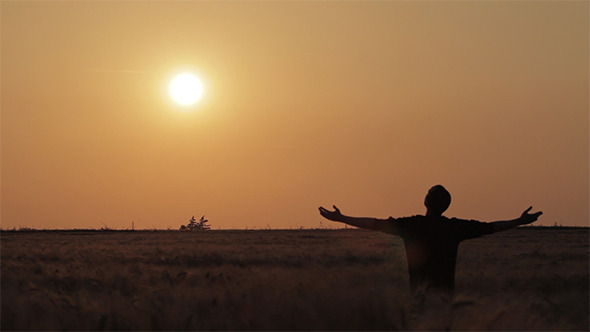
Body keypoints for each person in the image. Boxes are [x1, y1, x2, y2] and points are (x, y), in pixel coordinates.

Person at [319, 185, 542, 296]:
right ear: (447, 206)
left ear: (425, 201)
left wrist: (341, 218)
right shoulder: (455, 228)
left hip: (418, 297)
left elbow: (374, 223)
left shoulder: (412, 225)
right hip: (446, 300)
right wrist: (519, 221)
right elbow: (491, 227)